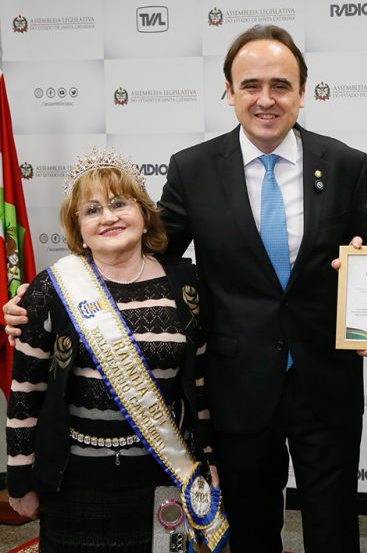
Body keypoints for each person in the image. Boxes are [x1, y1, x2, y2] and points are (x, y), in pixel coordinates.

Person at [6, 25, 367, 552]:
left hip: (327, 380)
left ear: (302, 91)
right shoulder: (194, 169)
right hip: (237, 386)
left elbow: (361, 251)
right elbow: (142, 250)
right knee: (248, 527)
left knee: (334, 524)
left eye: (280, 85)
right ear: (228, 91)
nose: (265, 99)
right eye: (250, 85)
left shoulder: (344, 164)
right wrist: (45, 300)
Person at [5, 149, 226, 551]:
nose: (108, 217)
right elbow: (25, 393)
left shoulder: (186, 283)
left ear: (144, 214)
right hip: (74, 483)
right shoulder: (51, 288)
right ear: (78, 226)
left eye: (119, 203)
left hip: (164, 477)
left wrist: (209, 460)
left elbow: (201, 384)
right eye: (92, 210)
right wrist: (19, 478)